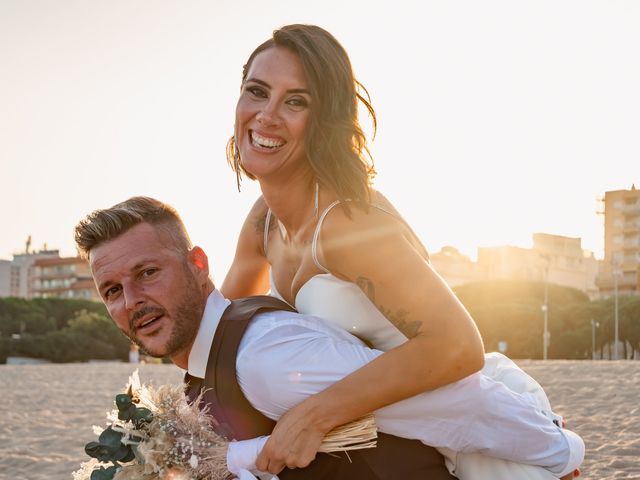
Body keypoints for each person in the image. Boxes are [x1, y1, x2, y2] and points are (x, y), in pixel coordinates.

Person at [221, 24, 581, 479]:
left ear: (324, 119)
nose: (267, 115)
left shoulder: (348, 222)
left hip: (464, 425)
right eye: (257, 91)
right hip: (385, 434)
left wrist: (314, 415)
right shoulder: (262, 221)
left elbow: (459, 346)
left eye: (296, 101)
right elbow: (224, 328)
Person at [75, 197, 583, 480]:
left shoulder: (266, 357)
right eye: (112, 290)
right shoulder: (205, 367)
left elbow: (455, 404)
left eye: (147, 273)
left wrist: (561, 453)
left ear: (198, 265)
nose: (132, 301)